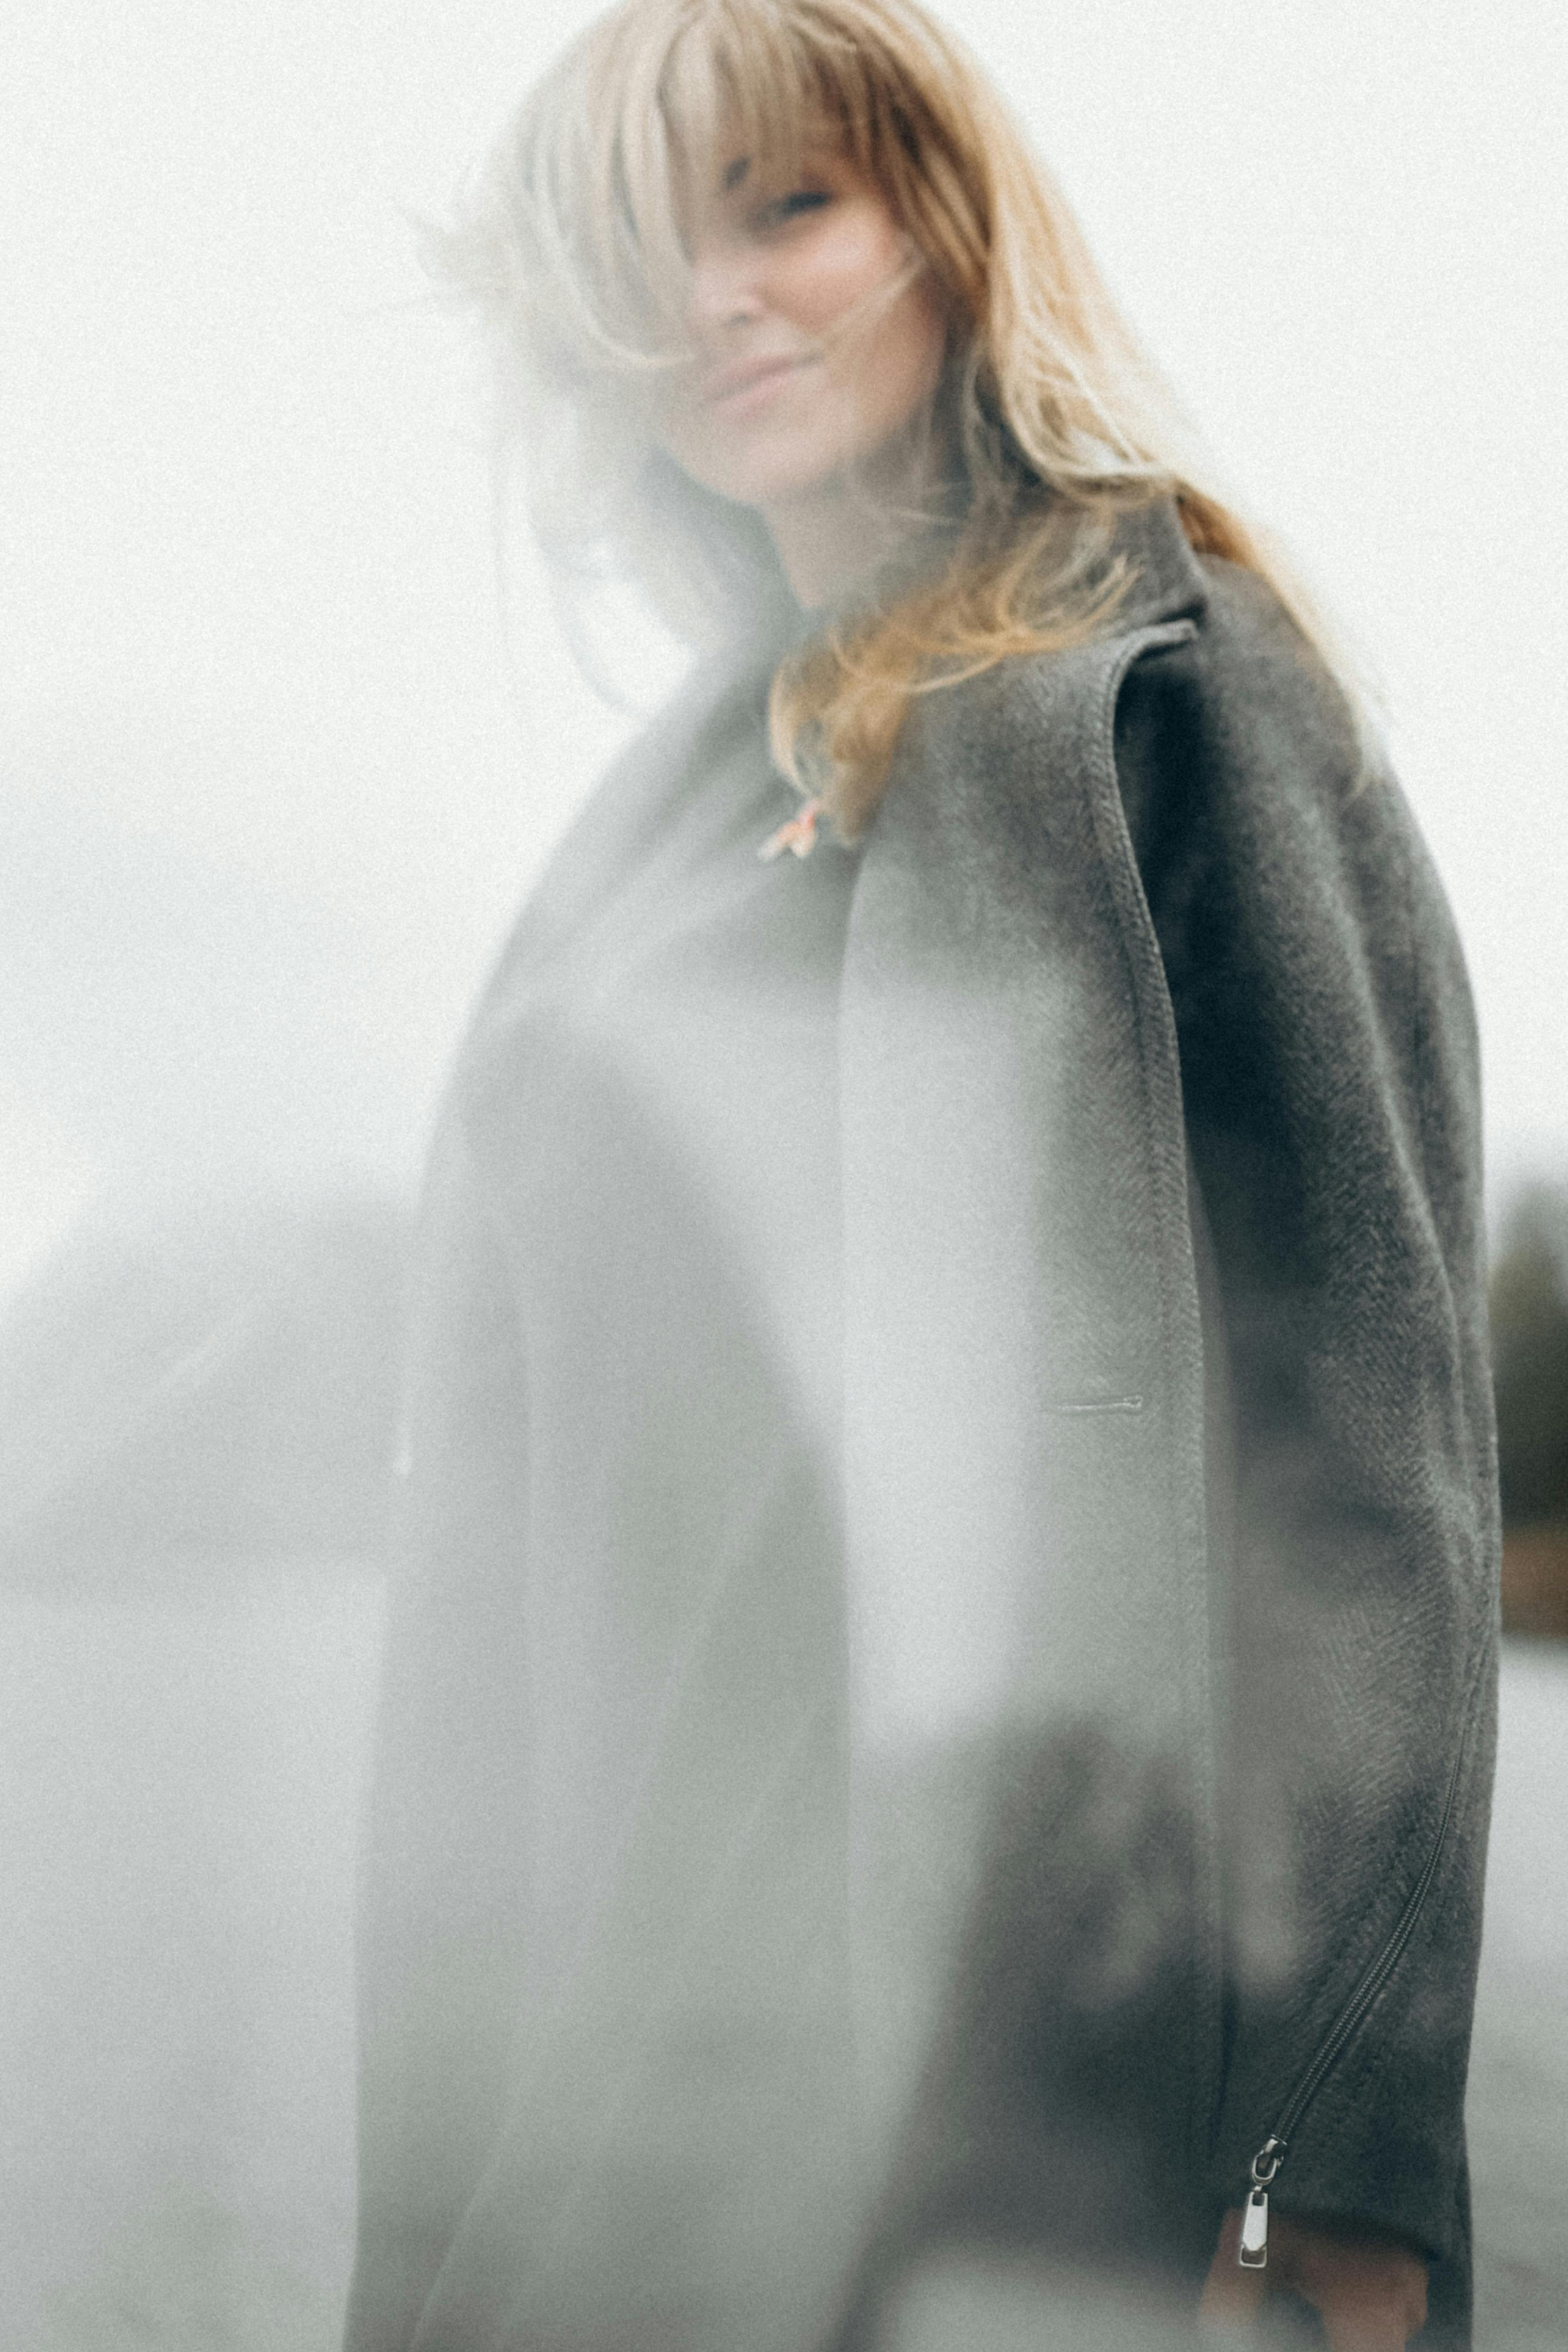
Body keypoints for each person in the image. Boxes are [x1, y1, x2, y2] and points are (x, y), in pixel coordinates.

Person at [343, 3, 1499, 2347]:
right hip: (614, 2147)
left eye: (791, 202)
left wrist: (1321, 2190)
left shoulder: (1170, 685)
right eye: (644, 248)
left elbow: (1363, 1487)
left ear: (951, 230)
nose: (716, 295)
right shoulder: (643, 829)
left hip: (1029, 2151)